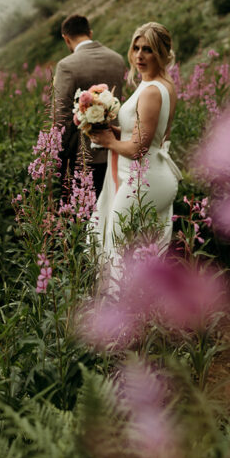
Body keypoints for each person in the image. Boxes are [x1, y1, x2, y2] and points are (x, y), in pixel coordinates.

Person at [90, 21, 180, 273]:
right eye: (136, 48)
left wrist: (109, 141)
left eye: (148, 49)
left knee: (116, 246)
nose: (139, 55)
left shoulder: (152, 90)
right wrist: (116, 132)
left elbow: (140, 148)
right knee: (136, 249)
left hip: (144, 178)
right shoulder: (161, 84)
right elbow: (149, 134)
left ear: (162, 53)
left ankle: (118, 305)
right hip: (149, 174)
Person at [53, 14, 126, 198]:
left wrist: (57, 156)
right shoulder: (117, 59)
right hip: (117, 149)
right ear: (90, 33)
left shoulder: (66, 65)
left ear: (66, 38)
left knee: (83, 217)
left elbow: (60, 116)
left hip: (82, 157)